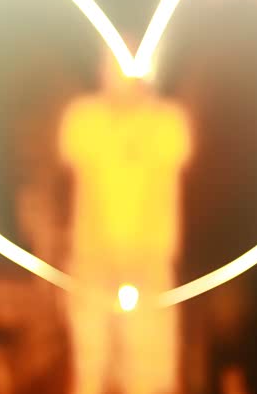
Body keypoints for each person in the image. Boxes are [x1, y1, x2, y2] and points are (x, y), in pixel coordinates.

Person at [59, 43, 192, 394]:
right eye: (111, 63)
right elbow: (77, 176)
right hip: (92, 262)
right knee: (90, 369)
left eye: (128, 63)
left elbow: (162, 184)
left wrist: (143, 256)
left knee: (147, 375)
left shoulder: (168, 122)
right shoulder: (83, 118)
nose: (119, 73)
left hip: (149, 264)